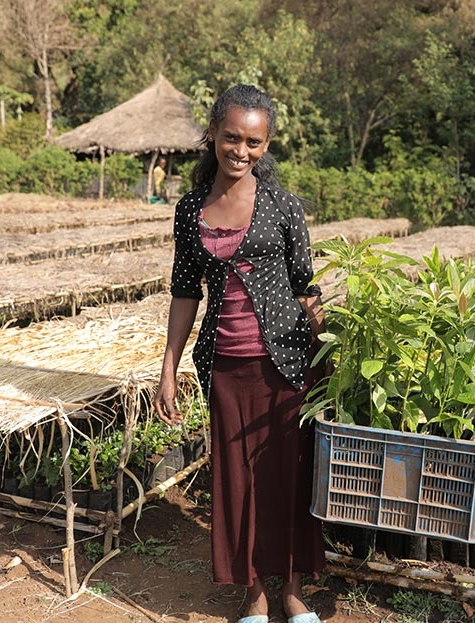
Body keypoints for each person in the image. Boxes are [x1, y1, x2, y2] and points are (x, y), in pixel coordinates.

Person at [154, 84, 325, 623]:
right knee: (236, 480)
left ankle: (293, 592)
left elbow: (305, 284)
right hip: (224, 364)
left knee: (289, 477)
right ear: (213, 134)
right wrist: (169, 367)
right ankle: (252, 595)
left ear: (266, 144)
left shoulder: (283, 206)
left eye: (254, 142)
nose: (241, 150)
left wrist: (325, 327)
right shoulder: (189, 210)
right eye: (231, 137)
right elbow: (186, 291)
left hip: (288, 362)